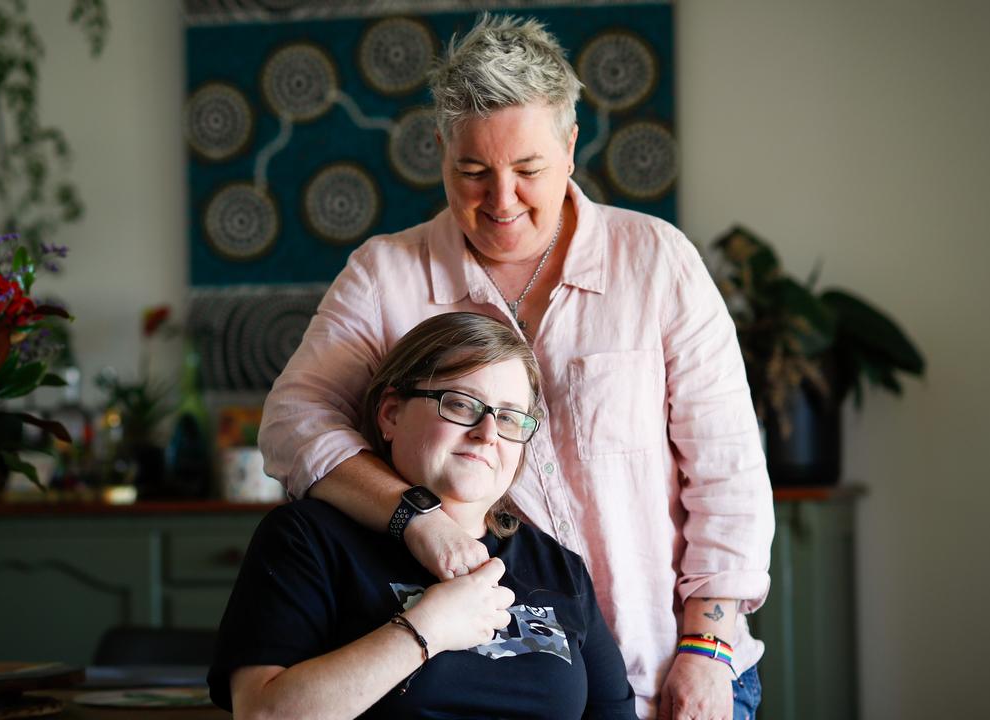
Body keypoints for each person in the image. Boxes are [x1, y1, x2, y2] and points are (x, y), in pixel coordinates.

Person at [259, 13, 774, 720]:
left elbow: (729, 476)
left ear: (570, 146)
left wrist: (707, 649)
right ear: (440, 151)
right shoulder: (386, 276)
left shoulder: (656, 262)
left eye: (527, 170)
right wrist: (415, 518)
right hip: (502, 690)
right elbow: (293, 424)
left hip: (677, 670)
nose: (500, 201)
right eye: (472, 172)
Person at [209, 312, 637, 718]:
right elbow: (263, 712)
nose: (488, 433)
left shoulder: (559, 569)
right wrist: (426, 629)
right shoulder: (307, 538)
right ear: (390, 414)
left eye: (509, 417)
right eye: (461, 404)